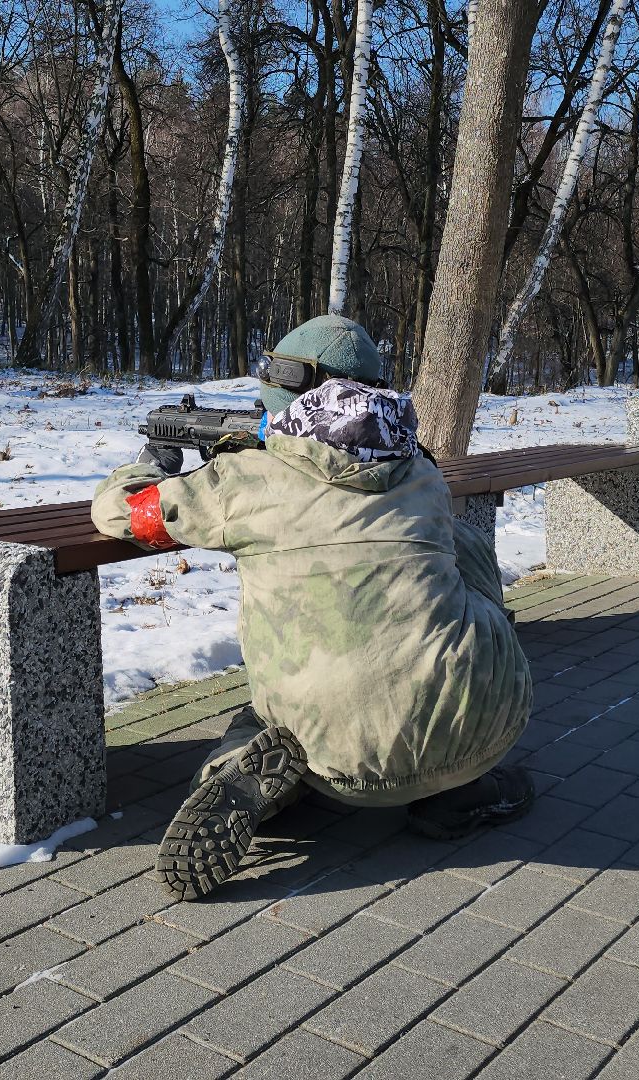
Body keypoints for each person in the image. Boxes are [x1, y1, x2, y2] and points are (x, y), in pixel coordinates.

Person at [91, 315, 535, 899]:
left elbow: (121, 512)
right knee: (464, 548)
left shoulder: (240, 481)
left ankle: (245, 769)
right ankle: (454, 794)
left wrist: (155, 461)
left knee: (267, 721)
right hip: (485, 721)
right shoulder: (421, 469)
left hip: (335, 747)